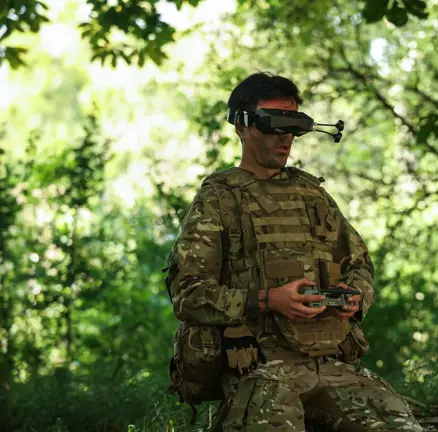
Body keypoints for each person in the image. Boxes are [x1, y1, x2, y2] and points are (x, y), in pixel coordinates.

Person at [165, 71, 424, 432]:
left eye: (294, 125)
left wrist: (354, 297)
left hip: (333, 366)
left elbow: (359, 264)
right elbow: (187, 293)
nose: (285, 136)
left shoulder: (312, 195)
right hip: (262, 371)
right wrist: (269, 299)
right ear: (242, 126)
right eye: (275, 123)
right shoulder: (219, 199)